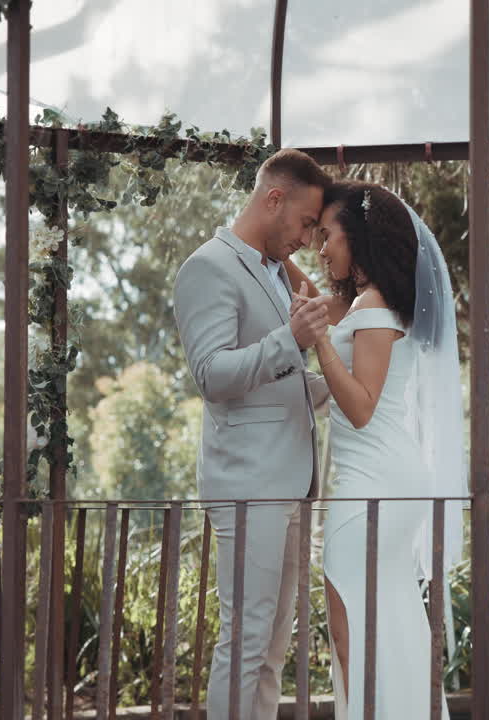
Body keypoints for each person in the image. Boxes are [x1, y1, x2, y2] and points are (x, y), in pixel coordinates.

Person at [293, 180, 465, 719]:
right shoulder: (368, 302)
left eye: (327, 236)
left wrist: (321, 343)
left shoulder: (371, 306)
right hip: (391, 481)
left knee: (350, 634)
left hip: (373, 488)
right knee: (389, 622)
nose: (320, 249)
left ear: (359, 238)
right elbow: (313, 295)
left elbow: (361, 406)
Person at [172, 148, 333, 720]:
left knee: (271, 647)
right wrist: (292, 338)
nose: (310, 238)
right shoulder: (208, 267)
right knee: (245, 641)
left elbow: (274, 380)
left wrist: (335, 385)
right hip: (247, 484)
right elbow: (212, 375)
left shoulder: (273, 271)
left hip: (290, 484)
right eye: (307, 223)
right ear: (274, 199)